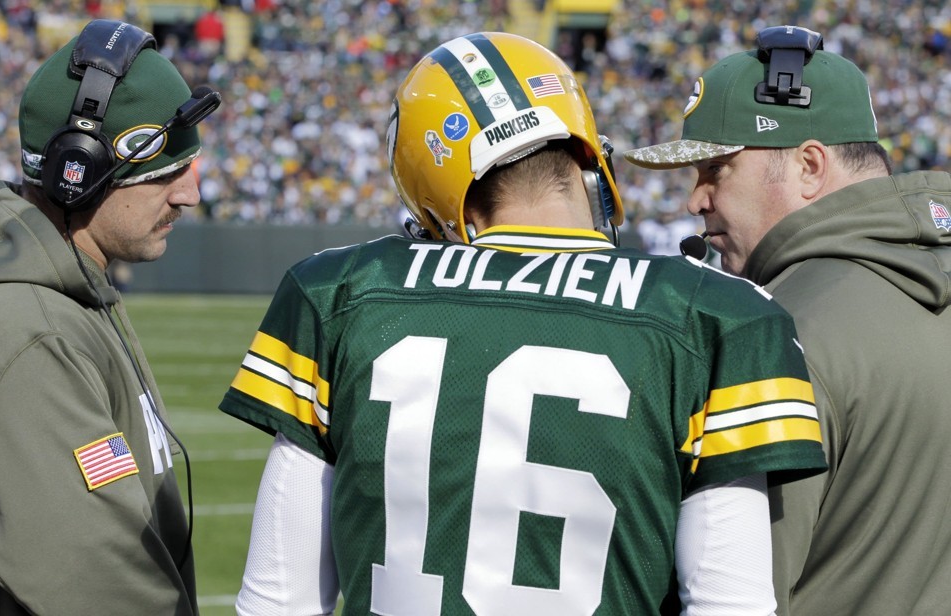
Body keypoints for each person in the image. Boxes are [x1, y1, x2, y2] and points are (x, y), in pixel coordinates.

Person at [220, 31, 827, 615]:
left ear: (431, 188)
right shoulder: (718, 316)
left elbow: (281, 601)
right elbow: (731, 605)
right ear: (584, 153)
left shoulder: (340, 292)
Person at [624, 24, 951, 616]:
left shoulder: (777, 331)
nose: (695, 201)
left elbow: (733, 597)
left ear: (808, 166)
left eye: (715, 169)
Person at [0, 19, 219, 615]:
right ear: (80, 169)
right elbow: (96, 586)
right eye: (167, 172)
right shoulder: (35, 334)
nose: (190, 194)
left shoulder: (59, 298)